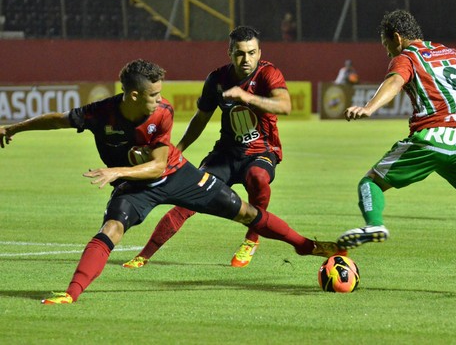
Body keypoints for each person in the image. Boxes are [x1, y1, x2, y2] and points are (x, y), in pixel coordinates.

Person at [0, 59, 341, 305]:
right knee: (112, 230)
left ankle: (305, 245)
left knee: (246, 213)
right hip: (135, 188)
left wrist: (116, 172)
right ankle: (71, 294)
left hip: (178, 175)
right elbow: (57, 120)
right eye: (153, 94)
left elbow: (157, 166)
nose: (161, 99)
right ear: (132, 95)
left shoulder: (162, 113)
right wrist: (14, 128)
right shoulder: (101, 113)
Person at [336, 9, 456, 297]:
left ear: (397, 38)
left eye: (386, 45)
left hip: (434, 137)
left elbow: (394, 82)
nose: (387, 53)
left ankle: (374, 225)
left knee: (370, 183)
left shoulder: (406, 57)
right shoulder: (451, 53)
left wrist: (368, 108)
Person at [123, 26, 290, 269]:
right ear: (230, 52)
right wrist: (177, 148)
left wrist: (247, 98)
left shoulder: (268, 73)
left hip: (261, 152)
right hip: (225, 154)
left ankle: (252, 239)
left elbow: (284, 106)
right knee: (188, 199)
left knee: (258, 177)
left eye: (252, 53)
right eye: (240, 53)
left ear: (259, 52)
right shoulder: (217, 79)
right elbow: (201, 118)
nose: (247, 59)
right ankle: (145, 255)